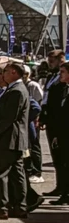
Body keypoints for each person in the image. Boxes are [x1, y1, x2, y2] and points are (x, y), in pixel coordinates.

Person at [0, 61, 40, 219]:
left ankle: (1, 207)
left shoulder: (17, 91)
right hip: (15, 138)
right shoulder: (15, 89)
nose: (2, 75)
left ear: (14, 72)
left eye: (5, 71)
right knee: (16, 173)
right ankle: (19, 206)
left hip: (10, 138)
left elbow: (9, 117)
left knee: (0, 172)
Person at [41, 61, 69, 203]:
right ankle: (64, 192)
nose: (60, 75)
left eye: (63, 72)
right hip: (61, 132)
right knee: (62, 162)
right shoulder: (62, 89)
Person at [22, 64, 45, 183]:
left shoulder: (33, 85)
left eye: (25, 74)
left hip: (32, 118)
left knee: (34, 144)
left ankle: (37, 171)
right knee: (26, 146)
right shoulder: (21, 85)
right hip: (24, 120)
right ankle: (29, 169)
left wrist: (38, 118)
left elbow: (40, 102)